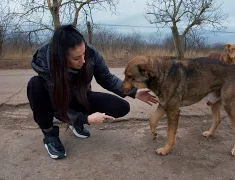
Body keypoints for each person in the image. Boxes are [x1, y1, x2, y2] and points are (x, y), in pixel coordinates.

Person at [27, 24, 158, 159]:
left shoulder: (92, 53)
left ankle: (74, 122)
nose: (83, 61)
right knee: (35, 85)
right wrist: (86, 119)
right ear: (61, 58)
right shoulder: (46, 64)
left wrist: (134, 92)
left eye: (83, 54)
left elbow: (107, 79)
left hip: (79, 96)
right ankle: (50, 135)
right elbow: (56, 108)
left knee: (121, 107)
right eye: (76, 58)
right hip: (56, 101)